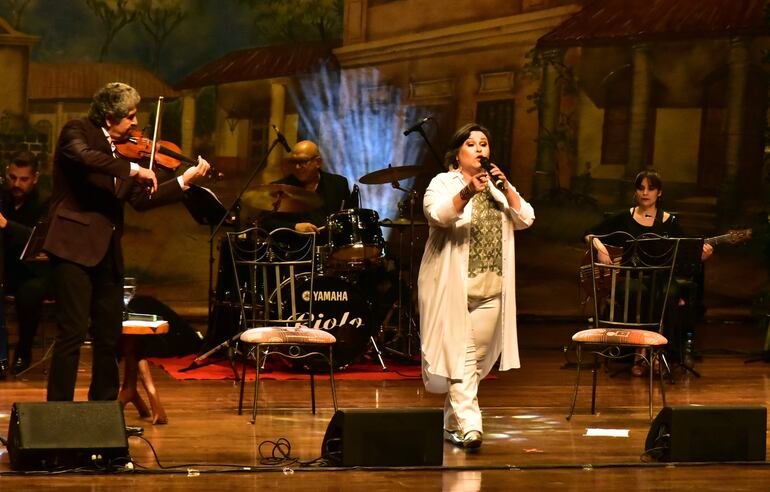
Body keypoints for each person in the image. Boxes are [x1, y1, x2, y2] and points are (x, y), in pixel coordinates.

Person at [42, 82, 211, 401]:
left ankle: (103, 414)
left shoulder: (121, 153)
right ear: (109, 116)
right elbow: (82, 156)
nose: (135, 124)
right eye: (130, 117)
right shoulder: (77, 131)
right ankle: (57, 415)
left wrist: (184, 180)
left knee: (108, 336)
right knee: (73, 334)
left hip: (107, 252)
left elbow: (142, 199)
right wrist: (134, 168)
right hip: (72, 249)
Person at [418, 123, 535, 450]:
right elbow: (438, 216)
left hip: (491, 290)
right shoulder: (443, 182)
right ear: (457, 153)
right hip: (452, 286)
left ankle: (451, 424)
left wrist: (506, 187)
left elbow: (526, 218)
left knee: (477, 362)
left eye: (484, 144)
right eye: (472, 144)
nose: (480, 149)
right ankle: (471, 427)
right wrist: (468, 191)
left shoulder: (498, 188)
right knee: (462, 358)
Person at [584, 169, 713, 375]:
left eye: (651, 188)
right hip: (629, 278)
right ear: (636, 192)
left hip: (660, 279)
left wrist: (701, 255)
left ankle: (652, 353)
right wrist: (600, 248)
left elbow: (683, 257)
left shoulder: (669, 222)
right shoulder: (623, 218)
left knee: (668, 293)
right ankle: (644, 351)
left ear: (659, 193)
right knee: (641, 292)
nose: (645, 192)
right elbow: (589, 234)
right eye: (641, 188)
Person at [0, 151, 52, 376]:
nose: (17, 184)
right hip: (5, 268)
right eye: (12, 178)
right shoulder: (2, 198)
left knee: (29, 294)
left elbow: (39, 239)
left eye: (23, 179)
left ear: (35, 178)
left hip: (33, 271)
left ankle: (24, 351)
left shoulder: (44, 203)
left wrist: (6, 225)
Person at [260, 140, 351, 234]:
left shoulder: (338, 184)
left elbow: (349, 221)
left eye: (302, 161)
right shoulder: (280, 188)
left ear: (318, 162)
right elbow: (264, 223)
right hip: (295, 246)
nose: (297, 167)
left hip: (331, 246)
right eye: (294, 162)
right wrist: (294, 227)